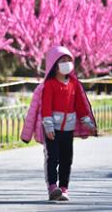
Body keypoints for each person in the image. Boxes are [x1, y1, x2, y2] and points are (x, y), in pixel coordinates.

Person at [21, 46, 97, 201]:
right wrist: (48, 127)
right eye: (63, 61)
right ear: (54, 64)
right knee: (52, 158)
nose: (67, 64)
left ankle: (64, 188)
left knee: (66, 159)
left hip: (68, 129)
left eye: (69, 60)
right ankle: (52, 187)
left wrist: (88, 124)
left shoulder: (74, 85)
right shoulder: (50, 85)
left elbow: (81, 107)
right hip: (53, 128)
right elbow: (46, 107)